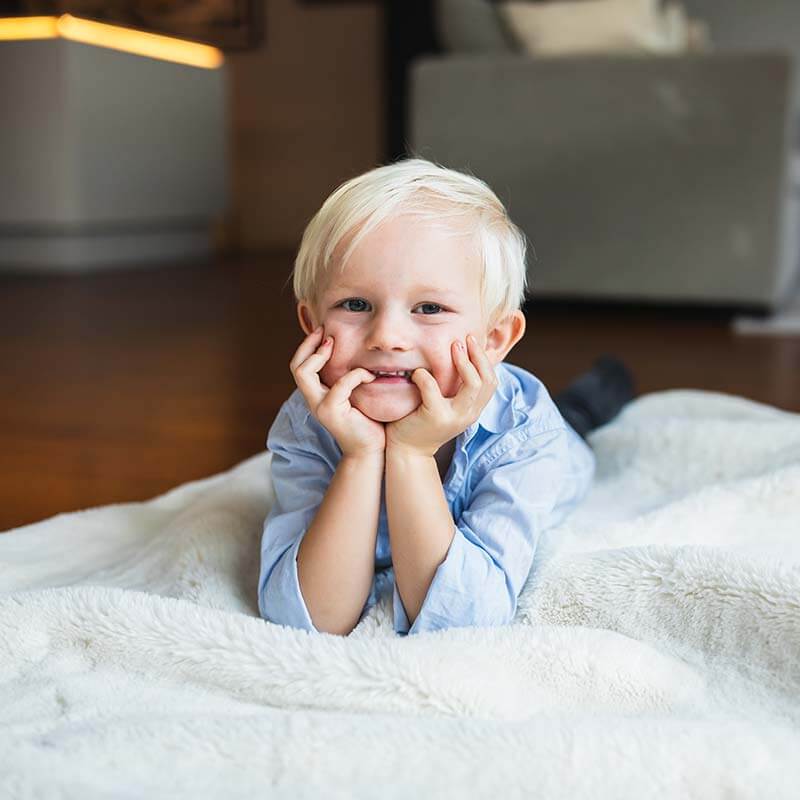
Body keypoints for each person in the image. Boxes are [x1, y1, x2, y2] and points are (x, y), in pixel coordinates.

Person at [257, 158, 634, 637]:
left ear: (495, 339)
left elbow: (467, 620)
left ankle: (595, 396)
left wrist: (411, 455)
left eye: (429, 308)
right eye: (356, 305)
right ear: (312, 325)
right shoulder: (308, 421)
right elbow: (306, 616)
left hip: (562, 445)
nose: (387, 336)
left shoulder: (525, 430)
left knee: (577, 419)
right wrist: (362, 455)